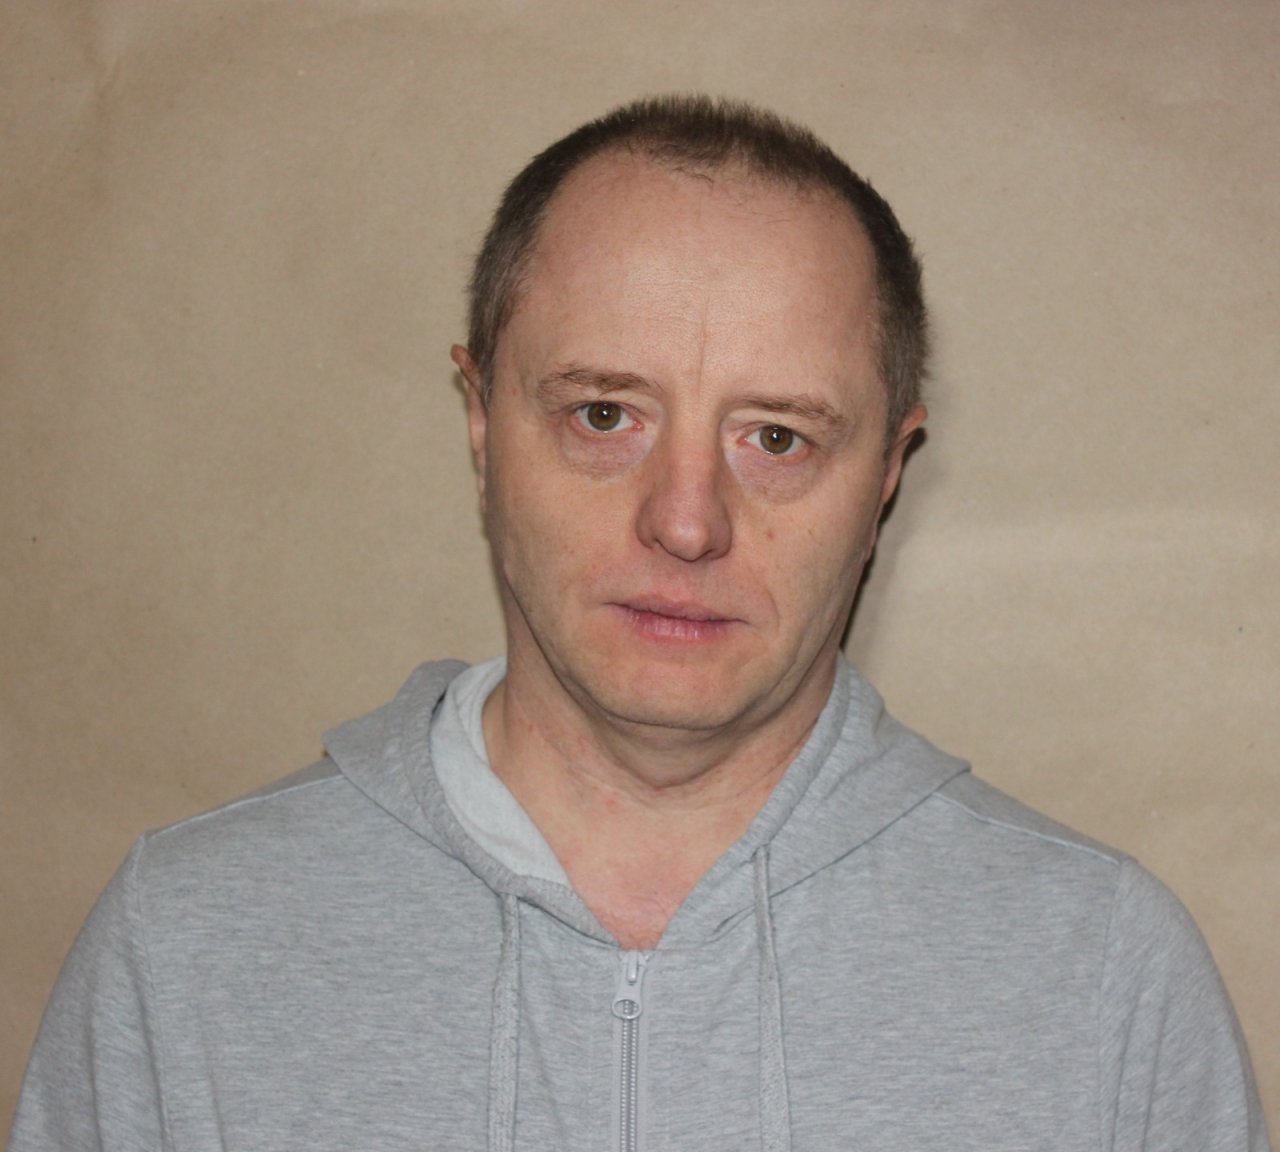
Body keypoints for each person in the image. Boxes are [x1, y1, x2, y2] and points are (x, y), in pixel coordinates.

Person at [11, 95, 1269, 1152]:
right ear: (480, 420)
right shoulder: (187, 946)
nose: (685, 521)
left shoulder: (1101, 975)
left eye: (777, 437)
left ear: (888, 469)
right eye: (603, 415)